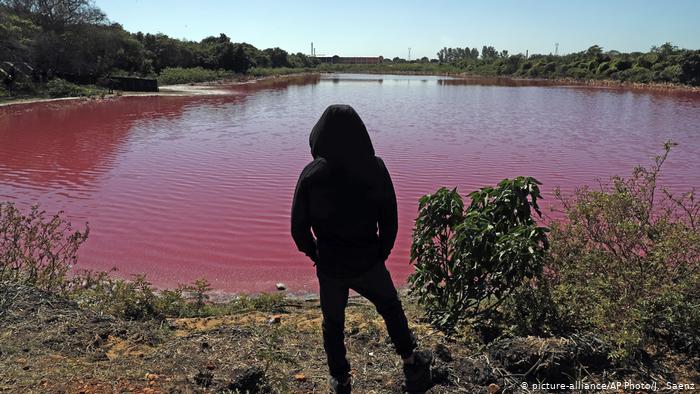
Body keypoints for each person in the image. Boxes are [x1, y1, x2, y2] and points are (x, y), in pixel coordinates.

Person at [291, 104, 434, 393]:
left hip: (331, 264)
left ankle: (340, 378)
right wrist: (380, 253)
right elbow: (390, 219)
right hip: (368, 260)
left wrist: (315, 253)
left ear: (319, 135)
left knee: (333, 323)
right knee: (391, 308)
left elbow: (298, 228)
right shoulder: (376, 168)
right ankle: (410, 362)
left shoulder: (311, 174)